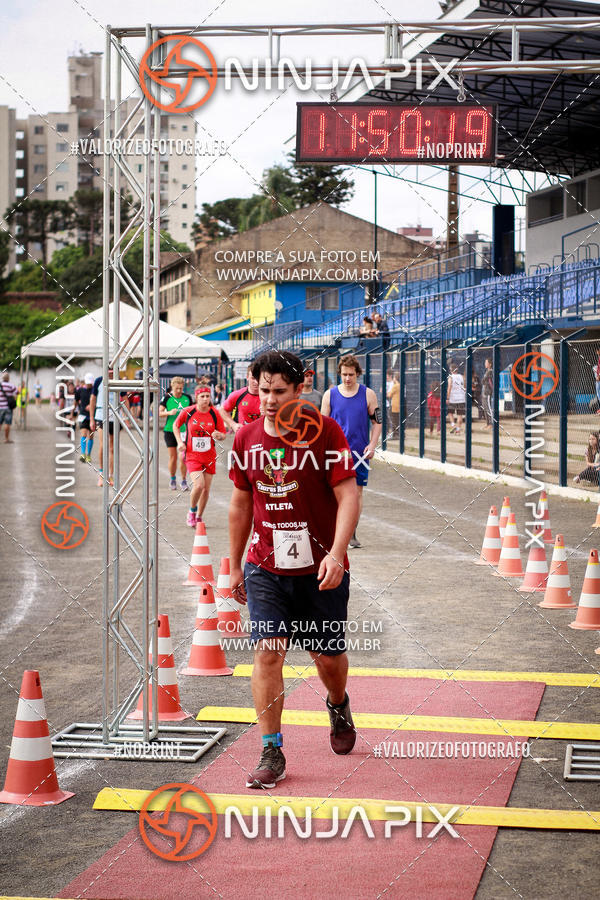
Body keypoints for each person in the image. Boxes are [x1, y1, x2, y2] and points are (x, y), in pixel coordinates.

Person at [228, 350, 360, 790]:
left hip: (320, 567)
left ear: (301, 387)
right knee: (268, 652)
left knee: (326, 657)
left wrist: (337, 553)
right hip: (265, 565)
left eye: (278, 391)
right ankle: (271, 749)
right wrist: (233, 566)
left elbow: (348, 495)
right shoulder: (245, 439)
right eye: (262, 389)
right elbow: (241, 503)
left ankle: (337, 703)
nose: (268, 399)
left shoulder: (324, 433)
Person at [321, 354, 382, 549]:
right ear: (339, 374)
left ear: (358, 374)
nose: (348, 378)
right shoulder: (330, 395)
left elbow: (377, 422)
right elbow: (322, 425)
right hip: (336, 453)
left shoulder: (368, 394)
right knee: (333, 492)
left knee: (356, 492)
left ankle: (352, 533)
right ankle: (335, 532)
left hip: (359, 452)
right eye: (345, 375)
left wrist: (372, 444)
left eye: (351, 375)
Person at [173, 385, 226, 526]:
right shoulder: (189, 411)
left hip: (209, 456)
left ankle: (199, 516)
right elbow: (175, 425)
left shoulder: (214, 413)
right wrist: (179, 442)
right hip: (192, 455)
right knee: (199, 485)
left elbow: (223, 434)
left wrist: (219, 436)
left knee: (206, 489)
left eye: (207, 396)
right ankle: (191, 511)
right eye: (202, 396)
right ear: (196, 398)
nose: (205, 399)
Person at [89, 368, 128, 487]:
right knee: (103, 446)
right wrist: (91, 418)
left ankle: (111, 474)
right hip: (101, 415)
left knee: (112, 448)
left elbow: (125, 399)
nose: (111, 374)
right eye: (109, 372)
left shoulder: (119, 381)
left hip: (115, 416)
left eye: (113, 372)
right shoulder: (99, 381)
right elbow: (93, 399)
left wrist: (127, 417)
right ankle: (101, 474)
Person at [158, 376, 193, 491]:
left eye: (181, 388)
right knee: (173, 457)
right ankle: (172, 479)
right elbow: (159, 413)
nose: (179, 391)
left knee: (183, 457)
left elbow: (193, 413)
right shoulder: (167, 398)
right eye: (177, 388)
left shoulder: (187, 398)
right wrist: (169, 412)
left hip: (184, 431)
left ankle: (183, 480)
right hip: (170, 430)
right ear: (172, 387)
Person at [220, 365, 261, 433]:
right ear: (247, 377)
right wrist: (233, 425)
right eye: (253, 378)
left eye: (259, 378)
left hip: (264, 437)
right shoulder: (238, 395)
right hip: (244, 437)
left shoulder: (270, 396)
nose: (256, 382)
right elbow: (222, 410)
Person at [75, 372, 95, 462]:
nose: (89, 385)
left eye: (90, 383)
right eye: (87, 383)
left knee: (90, 436)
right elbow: (76, 400)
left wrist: (91, 406)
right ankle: (83, 454)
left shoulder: (95, 391)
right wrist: (73, 412)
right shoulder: (80, 390)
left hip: (92, 416)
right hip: (83, 415)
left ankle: (89, 455)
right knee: (83, 434)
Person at [447, 361, 466, 434]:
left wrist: (448, 398)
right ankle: (458, 429)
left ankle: (453, 425)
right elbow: (464, 387)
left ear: (451, 370)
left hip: (453, 398)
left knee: (450, 413)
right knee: (460, 414)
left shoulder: (450, 377)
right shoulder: (462, 377)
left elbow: (449, 387)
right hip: (461, 398)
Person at [0, 373, 18, 443]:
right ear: (8, 378)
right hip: (8, 407)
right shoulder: (11, 385)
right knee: (7, 423)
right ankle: (6, 439)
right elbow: (17, 392)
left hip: (0, 407)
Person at [387, 373, 400, 437]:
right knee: (397, 420)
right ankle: (397, 433)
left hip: (394, 405)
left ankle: (395, 434)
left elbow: (389, 395)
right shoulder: (400, 385)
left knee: (393, 420)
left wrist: (386, 392)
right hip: (399, 405)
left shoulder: (395, 386)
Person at [482, 357, 493, 428]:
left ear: (490, 364)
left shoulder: (491, 372)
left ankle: (491, 424)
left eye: (486, 363)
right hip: (484, 392)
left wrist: (490, 391)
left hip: (488, 392)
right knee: (485, 408)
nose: (485, 364)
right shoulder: (487, 371)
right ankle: (487, 423)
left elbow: (489, 382)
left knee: (489, 408)